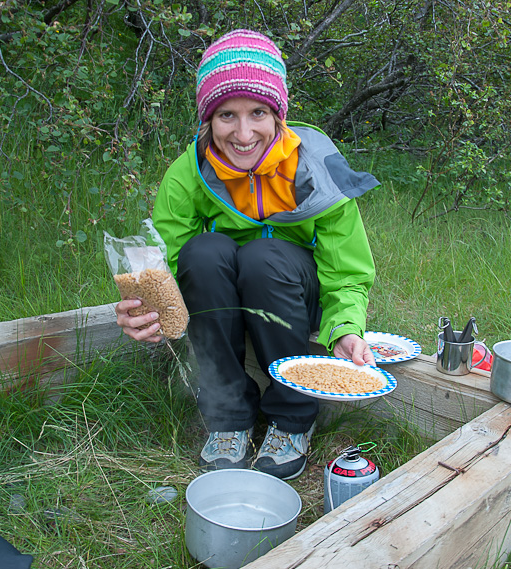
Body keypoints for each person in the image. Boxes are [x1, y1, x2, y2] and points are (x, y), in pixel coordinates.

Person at [115, 29, 378, 480]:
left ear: (278, 114)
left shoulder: (317, 166)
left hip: (294, 290)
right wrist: (148, 311)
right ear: (208, 119)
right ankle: (228, 415)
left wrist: (345, 328)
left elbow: (347, 272)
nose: (243, 133)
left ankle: (292, 418)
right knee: (202, 252)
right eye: (226, 115)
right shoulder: (190, 172)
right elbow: (166, 266)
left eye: (258, 112)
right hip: (228, 294)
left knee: (263, 256)